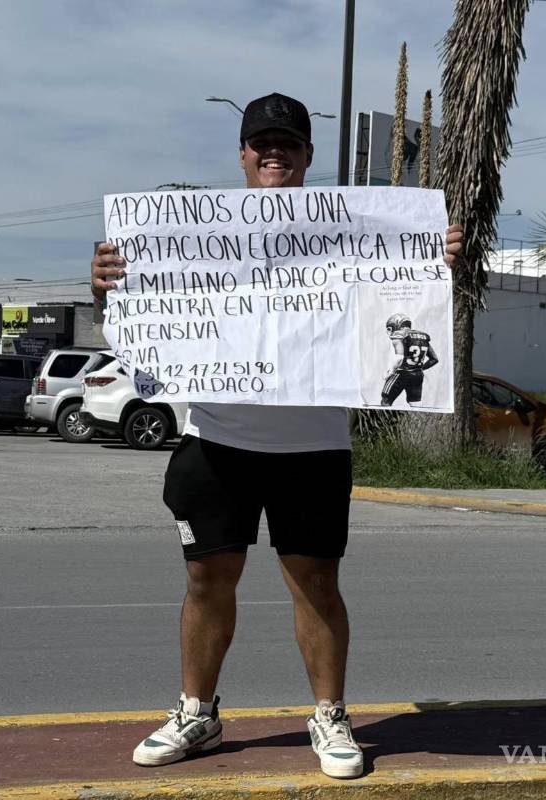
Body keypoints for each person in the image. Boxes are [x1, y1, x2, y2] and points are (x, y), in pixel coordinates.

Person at [91, 92, 464, 780]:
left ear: (306, 157)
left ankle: (328, 715)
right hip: (216, 438)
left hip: (312, 447)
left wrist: (425, 260)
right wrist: (107, 286)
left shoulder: (347, 236)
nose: (273, 153)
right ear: (242, 155)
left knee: (316, 584)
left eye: (287, 144)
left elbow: (398, 300)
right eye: (261, 142)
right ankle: (196, 713)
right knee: (207, 579)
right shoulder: (193, 235)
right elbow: (130, 326)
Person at [380, 313, 439, 406]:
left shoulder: (398, 336)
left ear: (397, 324)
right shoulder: (424, 337)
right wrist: (419, 368)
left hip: (401, 373)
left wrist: (389, 372)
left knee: (386, 400)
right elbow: (434, 359)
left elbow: (399, 358)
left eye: (390, 328)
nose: (389, 331)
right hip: (417, 375)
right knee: (415, 404)